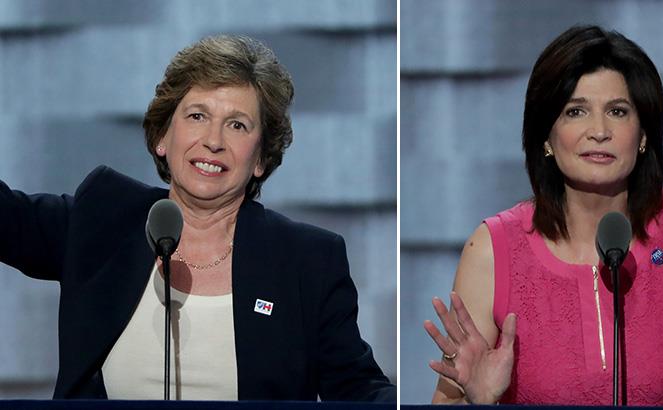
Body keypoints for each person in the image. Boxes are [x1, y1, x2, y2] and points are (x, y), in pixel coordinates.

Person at [0, 34, 394, 402]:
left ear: (260, 158)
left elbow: (358, 388)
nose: (214, 140)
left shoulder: (306, 260)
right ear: (162, 136)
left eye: (237, 125)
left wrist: (449, 394)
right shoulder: (103, 218)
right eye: (197, 116)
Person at [424, 25, 663, 406]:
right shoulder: (492, 250)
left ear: (643, 134)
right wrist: (476, 402)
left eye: (617, 111)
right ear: (546, 137)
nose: (599, 131)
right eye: (575, 111)